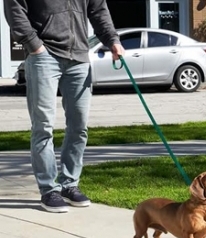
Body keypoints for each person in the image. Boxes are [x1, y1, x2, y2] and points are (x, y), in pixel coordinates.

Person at [4, 0, 125, 213]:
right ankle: (49, 189)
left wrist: (113, 41)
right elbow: (15, 10)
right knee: (43, 126)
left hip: (79, 57)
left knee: (79, 126)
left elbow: (98, 11)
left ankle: (70, 184)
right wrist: (35, 46)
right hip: (44, 56)